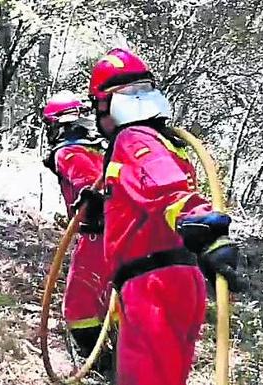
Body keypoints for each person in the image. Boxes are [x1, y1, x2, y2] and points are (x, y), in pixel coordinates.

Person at [77, 48, 245, 385]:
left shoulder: (132, 137)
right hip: (180, 281)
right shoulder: (164, 142)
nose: (98, 119)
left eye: (98, 109)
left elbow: (164, 189)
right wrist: (103, 211)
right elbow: (146, 204)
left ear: (110, 104)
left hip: (152, 286)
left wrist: (202, 225)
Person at [41, 91, 113, 365]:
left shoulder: (68, 152)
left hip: (95, 235)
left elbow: (87, 183)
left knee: (79, 304)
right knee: (110, 296)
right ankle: (119, 351)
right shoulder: (99, 148)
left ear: (57, 124)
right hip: (119, 234)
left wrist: (89, 199)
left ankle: (97, 364)